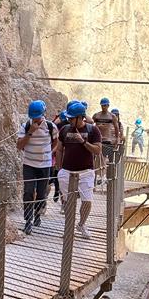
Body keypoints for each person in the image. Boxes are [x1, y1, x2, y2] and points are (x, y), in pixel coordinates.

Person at [56, 100, 102, 240]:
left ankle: (81, 224)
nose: (69, 120)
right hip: (67, 171)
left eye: (71, 118)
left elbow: (97, 149)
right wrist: (59, 168)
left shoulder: (92, 130)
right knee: (68, 201)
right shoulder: (64, 130)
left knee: (87, 200)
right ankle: (69, 228)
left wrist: (82, 141)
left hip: (86, 171)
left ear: (80, 117)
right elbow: (59, 149)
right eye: (69, 118)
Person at [17, 100, 58, 234]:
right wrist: (30, 132)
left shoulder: (51, 127)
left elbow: (55, 142)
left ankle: (38, 215)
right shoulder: (26, 126)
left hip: (45, 165)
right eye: (33, 116)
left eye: (38, 116)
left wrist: (49, 153)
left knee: (41, 193)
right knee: (28, 192)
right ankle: (28, 221)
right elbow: (19, 146)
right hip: (29, 164)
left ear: (43, 114)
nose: (36, 119)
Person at [92, 97, 121, 180]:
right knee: (97, 157)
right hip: (97, 139)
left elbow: (116, 128)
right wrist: (97, 126)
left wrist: (117, 139)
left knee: (106, 158)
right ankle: (98, 175)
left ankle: (105, 176)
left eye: (105, 105)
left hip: (107, 140)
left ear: (108, 106)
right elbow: (91, 125)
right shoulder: (96, 115)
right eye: (102, 105)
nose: (103, 107)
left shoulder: (112, 116)